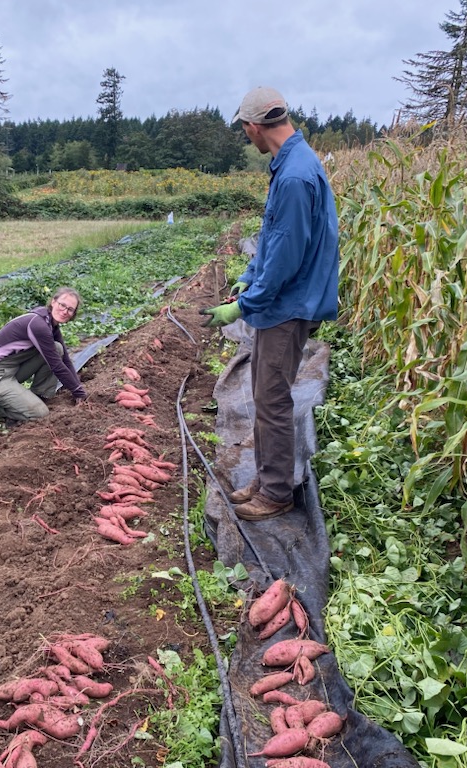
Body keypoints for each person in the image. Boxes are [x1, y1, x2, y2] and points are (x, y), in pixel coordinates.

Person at [200, 86, 340, 521]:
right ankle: (267, 475)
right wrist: (247, 276)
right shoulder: (291, 165)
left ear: (255, 126)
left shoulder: (296, 176)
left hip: (287, 306)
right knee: (264, 394)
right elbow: (272, 238)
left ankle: (277, 492)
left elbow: (287, 255)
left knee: (274, 400)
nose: (248, 138)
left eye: (246, 130)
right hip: (280, 302)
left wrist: (242, 306)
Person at [0, 287, 88, 423]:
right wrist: (77, 392)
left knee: (57, 348)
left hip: (10, 370)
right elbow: (56, 366)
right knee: (40, 414)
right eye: (62, 305)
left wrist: (79, 388)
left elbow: (65, 360)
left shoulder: (51, 325)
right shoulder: (38, 324)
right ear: (53, 302)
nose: (65, 311)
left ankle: (39, 396)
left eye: (70, 309)